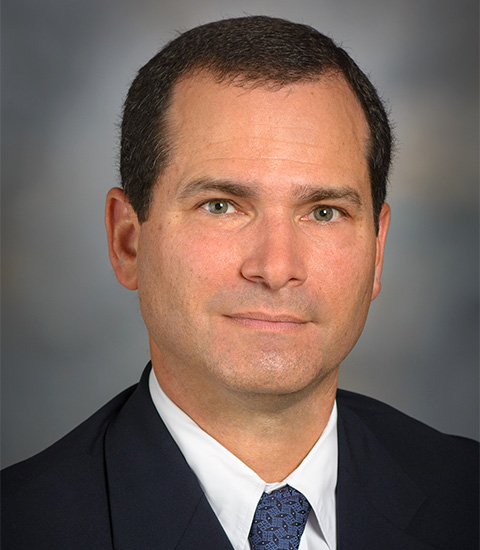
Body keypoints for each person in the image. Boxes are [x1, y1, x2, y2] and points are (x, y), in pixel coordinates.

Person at [2, 15, 478, 550]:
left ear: (377, 250)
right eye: (221, 206)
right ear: (127, 241)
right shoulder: (23, 526)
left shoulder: (467, 497)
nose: (276, 268)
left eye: (323, 212)